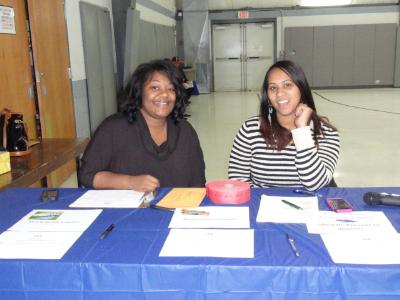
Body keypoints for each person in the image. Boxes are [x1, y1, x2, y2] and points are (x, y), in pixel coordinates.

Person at [79, 59, 206, 192]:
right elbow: (87, 175)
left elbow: (198, 182)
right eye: (155, 87)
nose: (164, 94)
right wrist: (130, 182)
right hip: (127, 211)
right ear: (139, 90)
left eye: (171, 89)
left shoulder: (185, 131)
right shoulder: (113, 128)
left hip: (177, 210)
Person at [228, 60, 340, 191]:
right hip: (263, 205)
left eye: (287, 85)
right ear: (267, 95)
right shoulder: (250, 130)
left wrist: (303, 131)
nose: (279, 94)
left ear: (302, 89)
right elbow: (237, 180)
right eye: (273, 88)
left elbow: (315, 183)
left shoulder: (325, 132)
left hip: (311, 205)